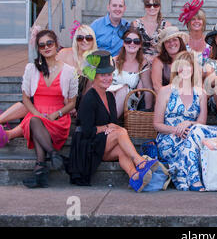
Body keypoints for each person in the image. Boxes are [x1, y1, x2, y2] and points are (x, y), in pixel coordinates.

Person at [66, 50, 156, 191]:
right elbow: (86, 130)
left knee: (121, 149)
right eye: (103, 75)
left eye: (109, 75)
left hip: (102, 144)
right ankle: (140, 161)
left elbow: (113, 124)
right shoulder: (89, 98)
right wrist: (105, 127)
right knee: (121, 132)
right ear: (94, 77)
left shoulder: (109, 97)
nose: (107, 78)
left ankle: (135, 177)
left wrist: (109, 127)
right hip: (87, 146)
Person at [0, 23, 97, 142]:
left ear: (93, 40)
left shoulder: (95, 59)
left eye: (89, 38)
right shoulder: (64, 53)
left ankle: (9, 134)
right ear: (75, 40)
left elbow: (90, 90)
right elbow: (51, 74)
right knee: (35, 101)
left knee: (40, 110)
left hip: (77, 102)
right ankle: (2, 121)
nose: (84, 41)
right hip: (58, 96)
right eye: (80, 38)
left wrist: (79, 108)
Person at [18, 30, 78, 188]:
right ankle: (52, 154)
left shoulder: (69, 71)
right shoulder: (31, 69)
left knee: (36, 123)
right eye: (42, 45)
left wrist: (55, 114)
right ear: (38, 49)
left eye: (49, 43)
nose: (46, 47)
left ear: (56, 45)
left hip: (57, 118)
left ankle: (40, 168)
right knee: (35, 121)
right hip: (35, 114)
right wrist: (38, 114)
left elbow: (72, 103)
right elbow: (25, 99)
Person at [153, 51, 217, 191]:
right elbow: (157, 124)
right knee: (189, 141)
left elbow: (202, 123)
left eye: (188, 66)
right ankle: (194, 180)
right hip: (169, 137)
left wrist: (188, 124)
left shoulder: (200, 93)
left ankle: (183, 178)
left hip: (192, 134)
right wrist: (176, 130)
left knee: (195, 134)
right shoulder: (165, 91)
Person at [107, 27, 152, 118]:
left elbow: (148, 89)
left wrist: (148, 111)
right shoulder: (113, 61)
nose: (132, 43)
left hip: (129, 102)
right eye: (128, 40)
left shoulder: (142, 64)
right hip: (109, 98)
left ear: (140, 45)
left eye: (136, 41)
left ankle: (111, 121)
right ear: (123, 43)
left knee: (123, 89)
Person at [132, 0, 171, 65]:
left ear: (159, 6)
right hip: (140, 61)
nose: (152, 8)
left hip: (160, 62)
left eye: (155, 5)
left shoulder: (166, 25)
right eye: (148, 5)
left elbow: (169, 48)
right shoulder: (136, 24)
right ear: (144, 7)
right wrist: (145, 58)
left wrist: (156, 59)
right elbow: (131, 45)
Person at [151, 26, 189, 94]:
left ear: (180, 41)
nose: (171, 43)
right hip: (164, 99)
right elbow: (157, 86)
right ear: (164, 45)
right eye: (167, 41)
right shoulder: (158, 61)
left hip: (187, 97)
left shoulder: (187, 58)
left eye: (174, 40)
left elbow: (196, 82)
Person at [179, 0, 211, 66]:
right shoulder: (183, 41)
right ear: (188, 23)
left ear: (203, 22)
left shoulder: (210, 41)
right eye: (193, 19)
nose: (196, 21)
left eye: (199, 19)